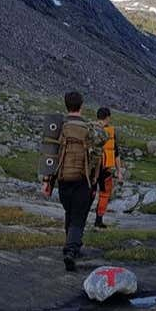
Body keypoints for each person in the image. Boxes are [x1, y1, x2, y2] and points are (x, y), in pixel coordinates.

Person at [42, 92, 107, 271]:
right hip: (83, 179)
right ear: (82, 106)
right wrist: (96, 182)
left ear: (66, 105)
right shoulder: (90, 128)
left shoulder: (59, 128)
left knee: (70, 213)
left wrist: (47, 182)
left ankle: (73, 246)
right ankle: (70, 251)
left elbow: (51, 155)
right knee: (78, 217)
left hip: (63, 178)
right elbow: (98, 154)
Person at [94, 107, 123, 229]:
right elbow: (115, 153)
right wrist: (119, 171)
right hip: (106, 169)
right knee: (105, 194)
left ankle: (81, 217)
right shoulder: (110, 132)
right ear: (107, 117)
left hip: (92, 168)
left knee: (89, 193)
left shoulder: (91, 129)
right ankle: (98, 220)